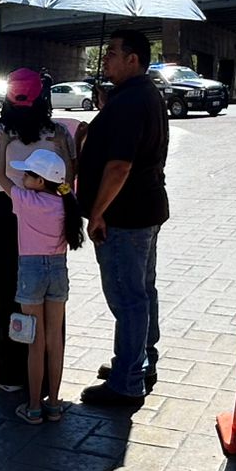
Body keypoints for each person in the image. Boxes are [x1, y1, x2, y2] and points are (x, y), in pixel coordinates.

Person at [0, 69, 77, 394]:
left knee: (8, 291)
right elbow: (70, 171)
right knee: (50, 296)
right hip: (50, 220)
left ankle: (10, 371)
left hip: (7, 216)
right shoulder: (58, 133)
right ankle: (48, 377)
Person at [76, 29, 168, 408]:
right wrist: (100, 120)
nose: (105, 60)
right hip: (144, 210)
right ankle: (139, 362)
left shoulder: (131, 102)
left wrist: (96, 213)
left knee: (128, 298)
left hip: (125, 217)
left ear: (133, 59)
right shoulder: (139, 95)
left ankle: (127, 380)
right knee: (142, 292)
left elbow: (119, 166)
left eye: (112, 53)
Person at [0, 149, 84, 424]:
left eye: (28, 174)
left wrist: (2, 144)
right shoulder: (66, 203)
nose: (23, 177)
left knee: (33, 341)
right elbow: (67, 178)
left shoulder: (25, 201)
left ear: (39, 181)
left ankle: (34, 405)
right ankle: (55, 403)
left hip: (31, 271)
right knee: (54, 340)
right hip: (58, 270)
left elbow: (0, 176)